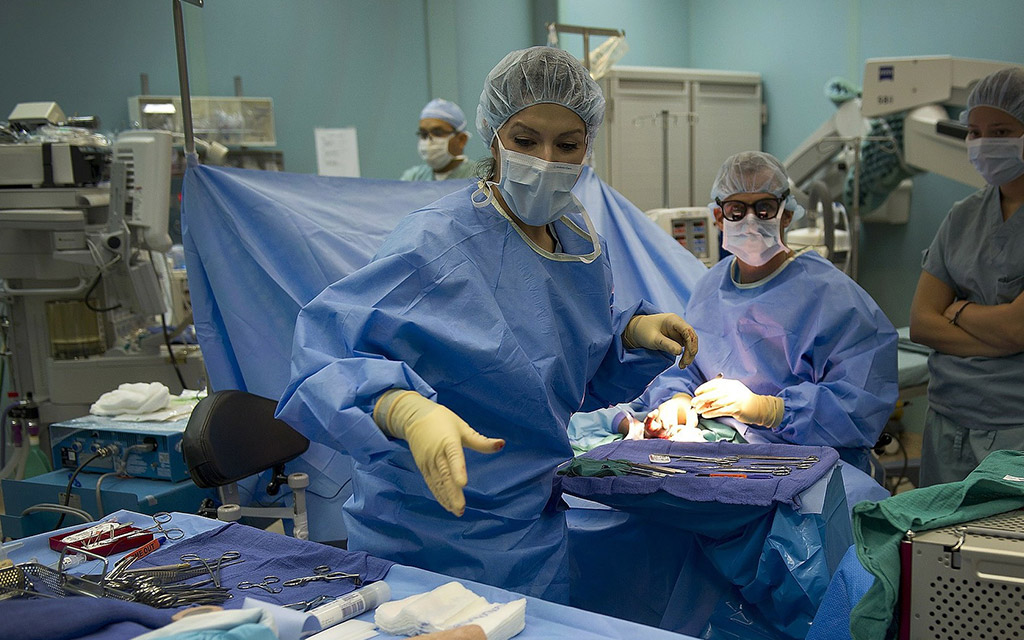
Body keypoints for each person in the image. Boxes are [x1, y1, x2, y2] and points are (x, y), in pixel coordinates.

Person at [278, 46, 697, 603]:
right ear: (493, 137)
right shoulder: (438, 242)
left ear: (587, 146)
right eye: (526, 140)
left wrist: (631, 334)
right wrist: (403, 409)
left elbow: (562, 369)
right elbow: (325, 356)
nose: (546, 160)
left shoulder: (574, 238)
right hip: (425, 533)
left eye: (566, 144)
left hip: (530, 525)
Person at [571, 151, 898, 474]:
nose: (751, 220)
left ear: (786, 215)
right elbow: (690, 367)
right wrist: (679, 401)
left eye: (765, 208)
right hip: (724, 450)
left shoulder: (833, 296)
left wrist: (768, 409)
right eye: (737, 210)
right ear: (718, 217)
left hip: (810, 463)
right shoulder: (711, 286)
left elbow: (862, 404)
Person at [909, 67, 1024, 486]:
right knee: (935, 547)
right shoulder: (963, 216)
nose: (982, 143)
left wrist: (957, 311)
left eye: (1000, 131)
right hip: (948, 419)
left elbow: (1017, 328)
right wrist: (1000, 333)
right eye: (974, 132)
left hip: (1016, 427)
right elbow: (922, 322)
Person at [400, 98, 477, 181]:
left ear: (462, 139)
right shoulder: (413, 178)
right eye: (423, 134)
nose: (428, 141)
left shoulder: (479, 177)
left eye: (437, 133)